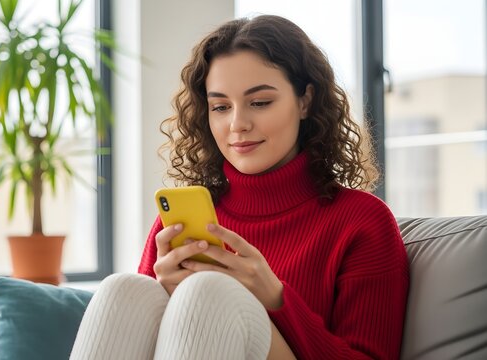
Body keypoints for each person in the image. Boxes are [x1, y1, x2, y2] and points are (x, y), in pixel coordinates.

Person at [70, 14, 409, 360]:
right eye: (220, 106)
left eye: (260, 102)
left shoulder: (363, 221)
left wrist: (274, 297)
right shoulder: (177, 223)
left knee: (210, 291)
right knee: (124, 289)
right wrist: (165, 295)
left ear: (305, 101)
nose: (237, 124)